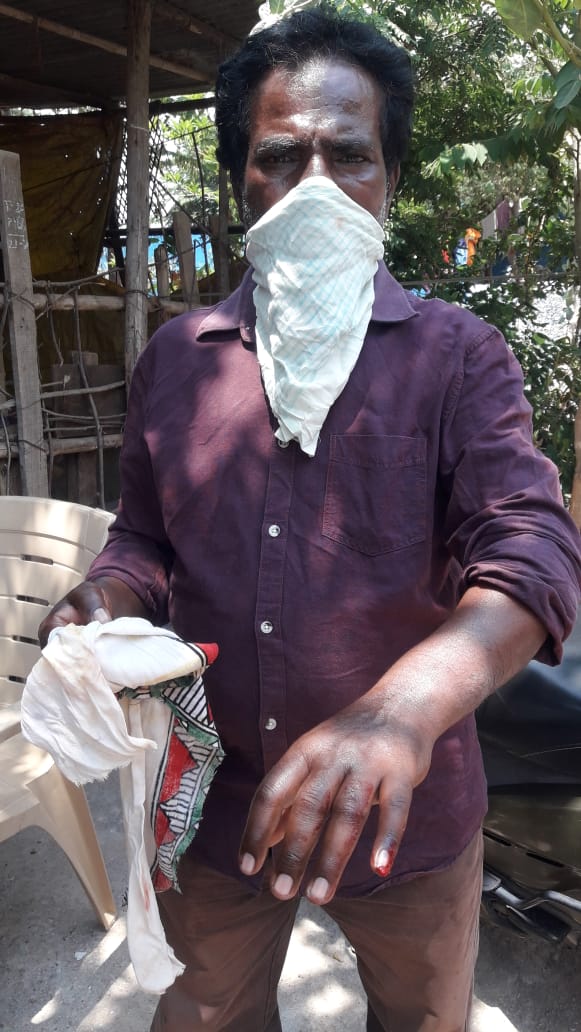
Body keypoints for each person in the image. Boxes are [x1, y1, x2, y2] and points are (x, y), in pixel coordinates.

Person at [40, 5, 580, 1031]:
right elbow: (147, 541)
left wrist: (401, 711)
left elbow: (530, 547)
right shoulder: (175, 361)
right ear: (240, 177)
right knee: (203, 1015)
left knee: (422, 1019)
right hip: (218, 804)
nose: (316, 189)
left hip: (404, 823)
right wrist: (104, 598)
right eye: (281, 158)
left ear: (389, 180)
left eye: (350, 157)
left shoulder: (455, 356)